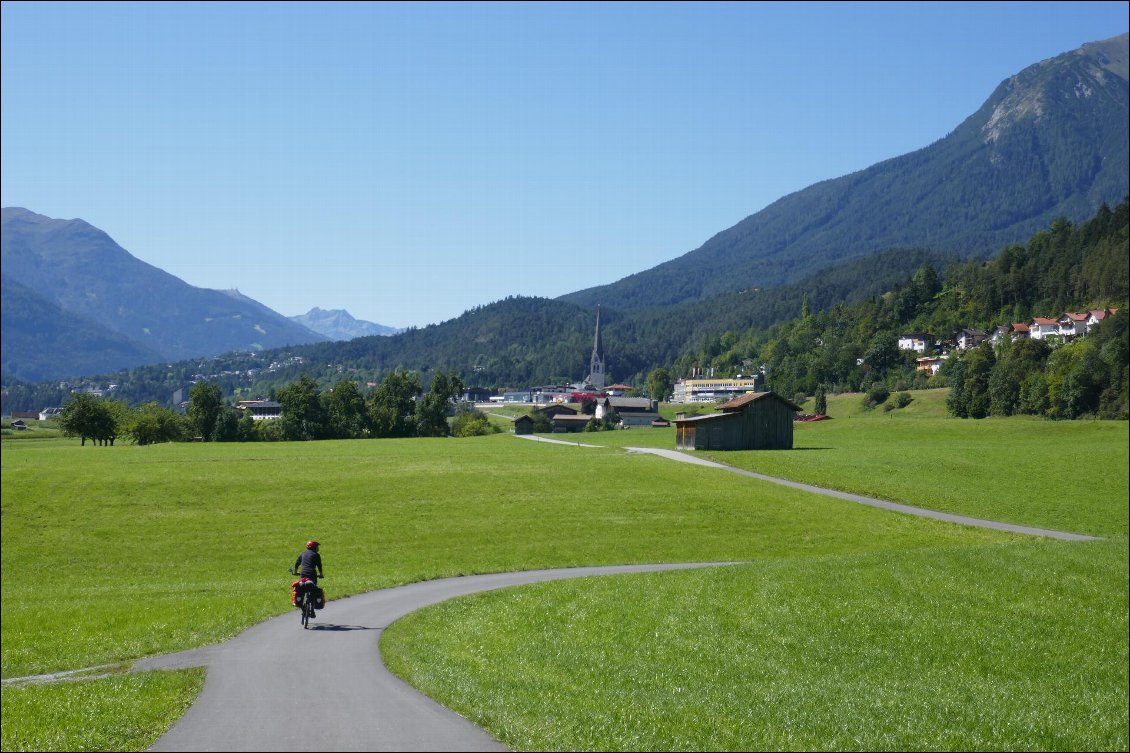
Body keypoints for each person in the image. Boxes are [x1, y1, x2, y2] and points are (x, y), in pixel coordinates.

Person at [293, 540, 324, 616]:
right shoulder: (316, 555)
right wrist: (321, 574)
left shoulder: (303, 553)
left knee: (301, 590)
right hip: (312, 575)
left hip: (303, 575)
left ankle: (303, 607)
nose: (318, 548)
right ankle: (312, 610)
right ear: (314, 547)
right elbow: (319, 566)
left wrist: (295, 572)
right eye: (317, 547)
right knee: (313, 590)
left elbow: (297, 563)